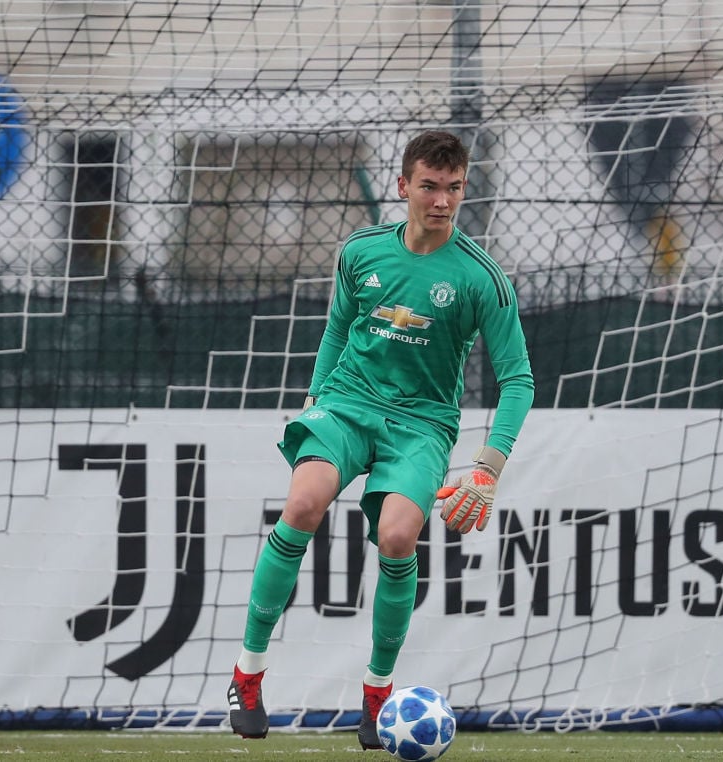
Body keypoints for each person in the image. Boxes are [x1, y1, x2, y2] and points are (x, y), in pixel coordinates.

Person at [226, 129, 535, 748]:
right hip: (347, 405)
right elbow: (337, 328)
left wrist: (487, 468)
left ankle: (376, 695)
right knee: (303, 504)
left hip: (422, 424)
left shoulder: (482, 278)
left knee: (397, 536)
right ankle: (249, 672)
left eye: (453, 188)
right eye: (429, 186)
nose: (442, 200)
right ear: (404, 187)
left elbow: (519, 380)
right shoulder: (361, 252)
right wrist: (316, 399)